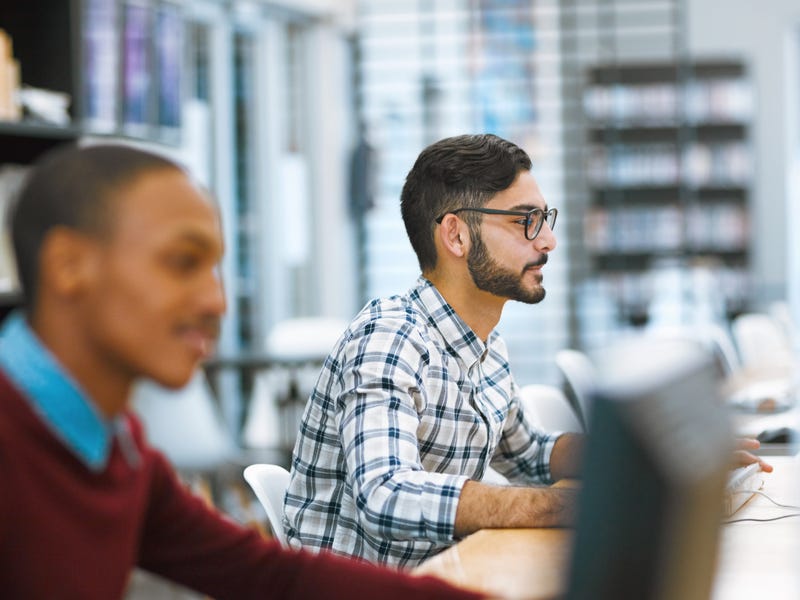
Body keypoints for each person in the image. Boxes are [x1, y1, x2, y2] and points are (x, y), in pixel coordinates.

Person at [0, 143, 486, 600]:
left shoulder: (116, 449)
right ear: (69, 265)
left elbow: (271, 577)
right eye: (182, 262)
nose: (216, 301)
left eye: (214, 269)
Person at [284, 133, 772, 569]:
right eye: (526, 222)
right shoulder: (391, 338)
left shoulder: (486, 343)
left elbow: (532, 453)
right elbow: (386, 495)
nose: (550, 241)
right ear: (455, 234)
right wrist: (577, 508)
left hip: (447, 574)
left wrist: (660, 457)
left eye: (545, 219)